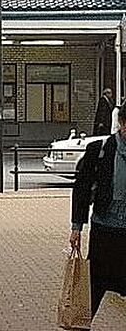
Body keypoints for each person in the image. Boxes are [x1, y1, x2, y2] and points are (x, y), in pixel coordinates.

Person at [70, 100, 126, 318]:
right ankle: (81, 323)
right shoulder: (100, 150)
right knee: (94, 287)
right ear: (121, 122)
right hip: (105, 230)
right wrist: (76, 228)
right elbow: (82, 189)